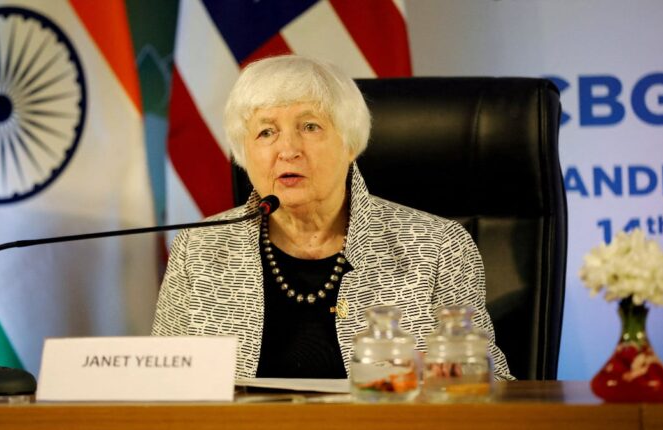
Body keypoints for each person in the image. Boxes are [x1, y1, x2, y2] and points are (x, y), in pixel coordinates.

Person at [152, 55, 513, 380]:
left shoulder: (438, 247)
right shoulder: (198, 249)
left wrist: (453, 376)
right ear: (244, 154)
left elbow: (494, 386)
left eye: (310, 127)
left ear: (350, 143)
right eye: (266, 132)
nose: (288, 149)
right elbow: (162, 385)